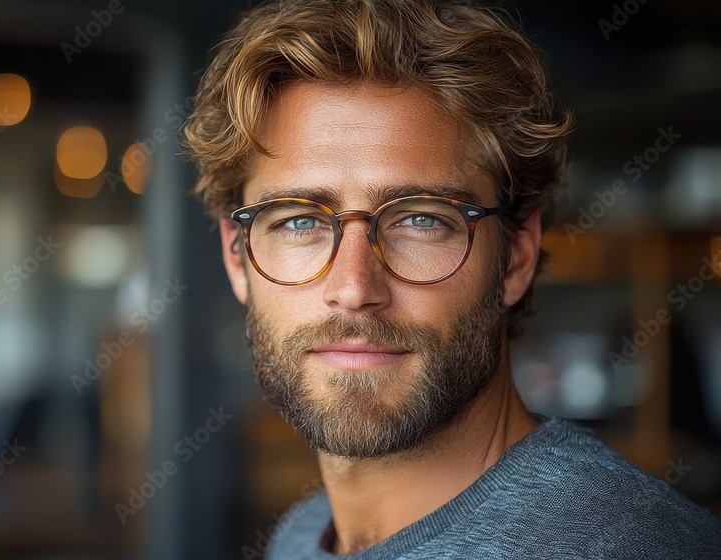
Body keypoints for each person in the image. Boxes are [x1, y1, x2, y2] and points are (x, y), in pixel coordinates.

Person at [183, 0, 721, 557]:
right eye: (298, 221)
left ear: (515, 256)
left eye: (420, 220)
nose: (353, 287)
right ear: (236, 255)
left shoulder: (629, 546)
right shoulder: (299, 536)